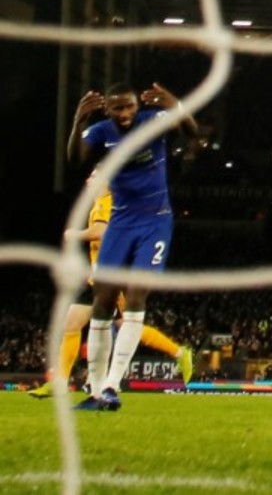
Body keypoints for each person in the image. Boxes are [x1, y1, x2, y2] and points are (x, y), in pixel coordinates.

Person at [65, 81, 197, 411]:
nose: (124, 114)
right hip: (121, 223)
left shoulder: (152, 121)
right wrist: (78, 122)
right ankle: (96, 392)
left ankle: (112, 386)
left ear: (138, 106)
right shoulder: (101, 132)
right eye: (117, 108)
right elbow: (75, 159)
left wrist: (175, 105)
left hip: (155, 222)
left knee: (136, 296)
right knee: (103, 303)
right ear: (107, 109)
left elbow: (191, 131)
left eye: (129, 107)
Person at [28, 176, 194, 398]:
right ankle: (60, 382)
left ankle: (179, 352)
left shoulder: (106, 202)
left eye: (94, 175)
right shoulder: (104, 202)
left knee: (124, 325)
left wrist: (74, 234)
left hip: (110, 277)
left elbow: (100, 231)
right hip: (98, 277)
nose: (88, 179)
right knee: (75, 323)